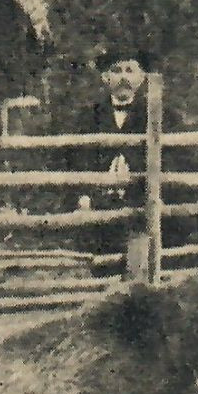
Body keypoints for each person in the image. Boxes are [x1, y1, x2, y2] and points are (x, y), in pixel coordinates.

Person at [63, 47, 157, 259]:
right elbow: (77, 161)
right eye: (116, 70)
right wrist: (85, 196)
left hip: (140, 204)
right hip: (100, 205)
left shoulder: (157, 117)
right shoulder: (88, 118)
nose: (123, 77)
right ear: (105, 78)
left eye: (129, 70)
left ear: (141, 78)